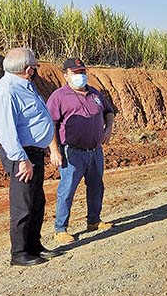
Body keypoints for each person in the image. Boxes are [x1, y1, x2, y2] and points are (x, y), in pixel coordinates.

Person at [0, 48, 61, 266]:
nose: (35, 70)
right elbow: (7, 131)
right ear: (28, 69)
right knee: (23, 205)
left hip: (33, 153)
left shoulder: (25, 86)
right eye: (35, 67)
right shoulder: (6, 91)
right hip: (22, 154)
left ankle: (34, 246)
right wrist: (21, 159)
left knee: (36, 201)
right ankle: (19, 253)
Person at [47, 58, 116, 243]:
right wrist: (54, 150)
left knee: (96, 186)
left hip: (95, 151)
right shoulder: (59, 96)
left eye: (82, 72)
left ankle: (93, 221)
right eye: (76, 73)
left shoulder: (95, 93)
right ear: (66, 75)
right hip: (72, 152)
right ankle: (60, 229)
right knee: (67, 190)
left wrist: (108, 130)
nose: (80, 76)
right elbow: (50, 125)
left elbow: (109, 112)